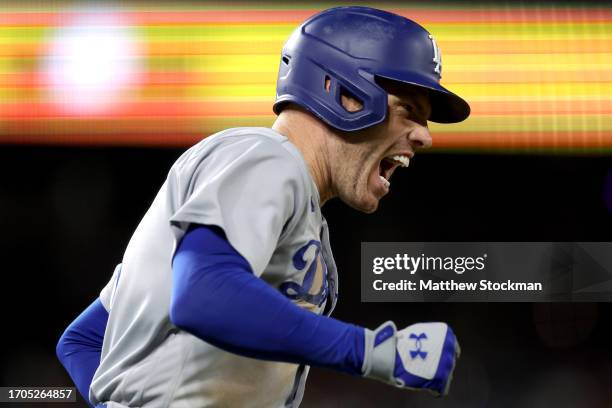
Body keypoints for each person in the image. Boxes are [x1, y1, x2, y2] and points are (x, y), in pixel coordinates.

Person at [56, 6, 470, 408]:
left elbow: (84, 340)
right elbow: (205, 293)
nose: (424, 137)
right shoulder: (266, 158)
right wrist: (372, 351)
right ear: (345, 94)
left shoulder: (291, 201)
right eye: (410, 111)